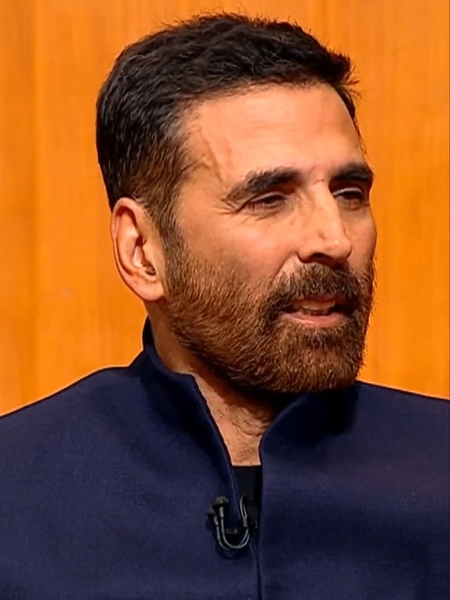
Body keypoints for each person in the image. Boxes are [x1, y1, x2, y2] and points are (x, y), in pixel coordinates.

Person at [0, 12, 448, 600]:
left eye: (349, 193)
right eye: (269, 199)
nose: (335, 239)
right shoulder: (15, 500)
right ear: (142, 251)